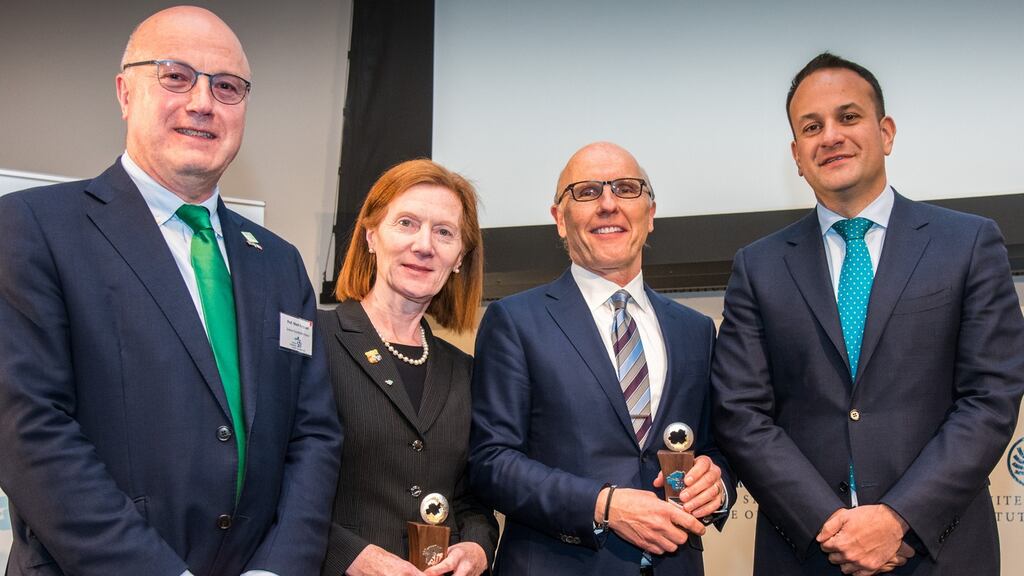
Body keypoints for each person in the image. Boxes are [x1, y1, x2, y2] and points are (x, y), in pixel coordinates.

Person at [0, 6, 342, 575]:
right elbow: (28, 428)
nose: (203, 102)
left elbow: (314, 435)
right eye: (175, 76)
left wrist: (277, 568)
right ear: (124, 92)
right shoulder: (32, 229)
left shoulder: (280, 263)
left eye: (227, 87)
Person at [711, 52, 1024, 575]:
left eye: (848, 117)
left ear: (887, 132)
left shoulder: (968, 243)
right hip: (807, 554)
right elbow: (741, 414)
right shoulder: (758, 266)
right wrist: (832, 525)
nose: (830, 136)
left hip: (937, 552)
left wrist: (898, 518)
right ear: (796, 153)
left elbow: (989, 399)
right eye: (812, 126)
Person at [469, 142, 735, 575]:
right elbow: (491, 461)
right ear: (559, 219)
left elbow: (717, 448)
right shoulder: (514, 321)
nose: (608, 204)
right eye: (587, 192)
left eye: (627, 188)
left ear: (650, 215)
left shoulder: (696, 330)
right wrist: (604, 505)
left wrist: (716, 484)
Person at [318, 159, 497, 576]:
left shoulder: (464, 370)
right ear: (371, 236)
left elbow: (471, 499)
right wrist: (351, 557)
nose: (424, 245)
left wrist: (475, 547)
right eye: (406, 223)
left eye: (444, 232)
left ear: (459, 259)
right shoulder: (314, 341)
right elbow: (273, 483)